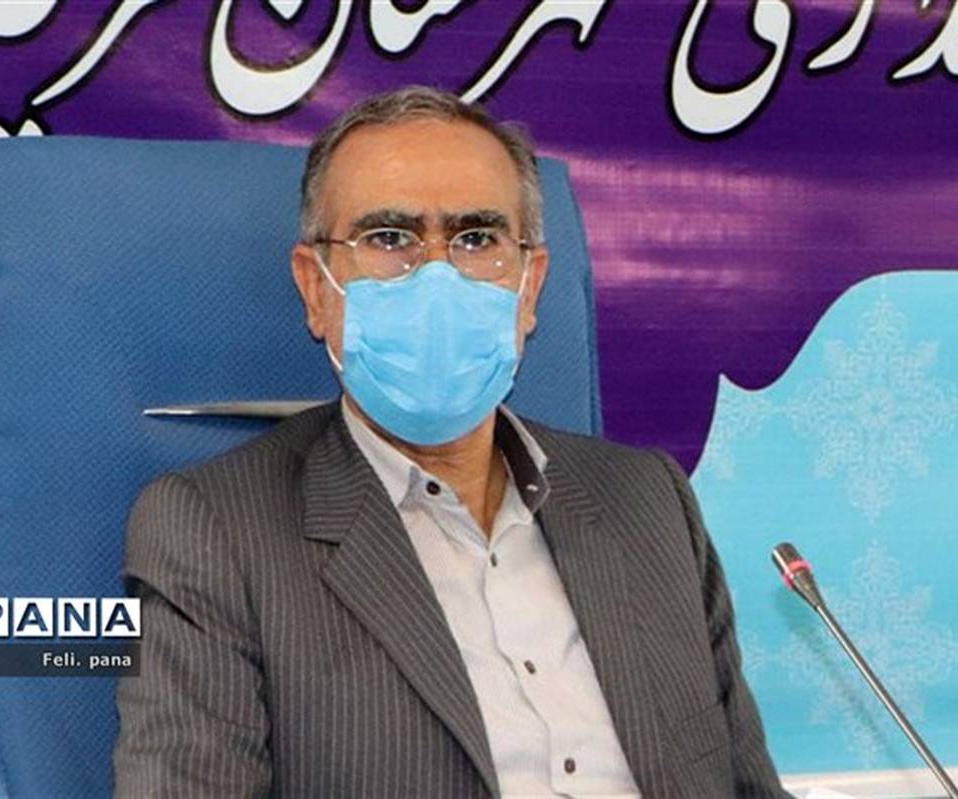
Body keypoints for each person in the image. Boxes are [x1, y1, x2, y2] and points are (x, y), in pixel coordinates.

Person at [113, 85, 789, 798]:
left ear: (530, 287)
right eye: (389, 238)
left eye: (477, 239)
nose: (437, 276)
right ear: (316, 289)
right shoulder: (214, 533)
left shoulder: (648, 500)